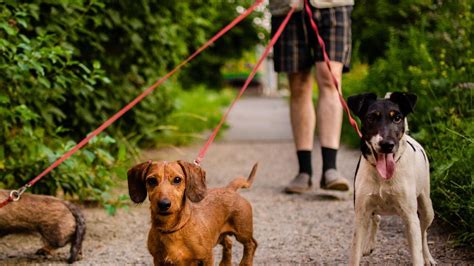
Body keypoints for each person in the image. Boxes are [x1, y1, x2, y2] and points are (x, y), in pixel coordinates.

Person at [269, 0, 354, 193]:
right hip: (287, 7)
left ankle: (330, 169)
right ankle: (304, 171)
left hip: (333, 5)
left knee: (330, 77)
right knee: (298, 84)